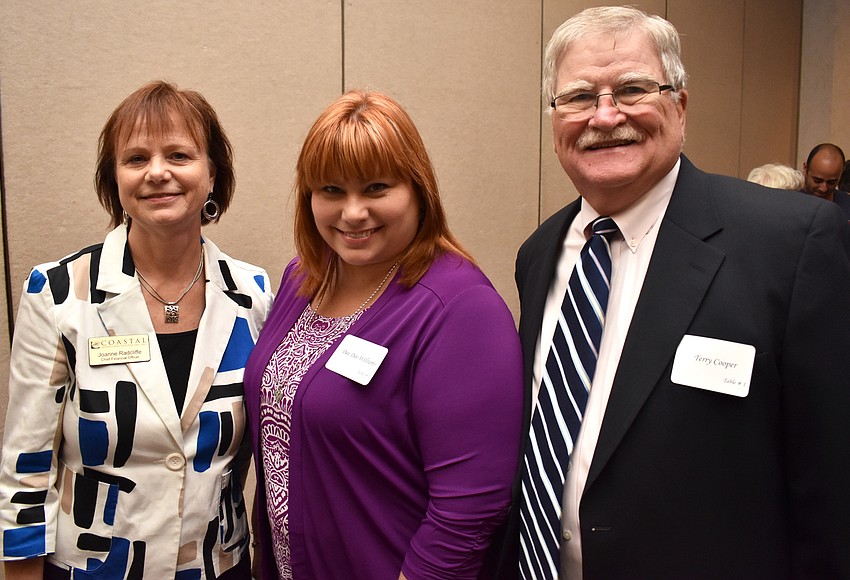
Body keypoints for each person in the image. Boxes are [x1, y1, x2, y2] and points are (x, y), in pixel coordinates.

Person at [498, 6, 850, 579]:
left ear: (679, 105)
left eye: (632, 89)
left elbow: (832, 487)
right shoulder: (539, 254)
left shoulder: (792, 244)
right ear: (554, 116)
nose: (606, 116)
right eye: (580, 97)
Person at [243, 90, 523, 580]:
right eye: (331, 190)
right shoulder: (302, 277)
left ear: (418, 190)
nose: (352, 212)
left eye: (375, 188)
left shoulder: (460, 308)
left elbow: (469, 511)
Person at [0, 81, 273, 579]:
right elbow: (25, 461)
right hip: (91, 568)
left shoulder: (252, 293)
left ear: (213, 173)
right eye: (136, 158)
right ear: (115, 179)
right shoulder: (59, 292)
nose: (157, 172)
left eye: (179, 155)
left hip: (217, 565)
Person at [801, 143, 850, 219]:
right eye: (817, 181)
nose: (823, 189)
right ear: (805, 169)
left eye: (831, 182)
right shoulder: (790, 203)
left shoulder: (847, 205)